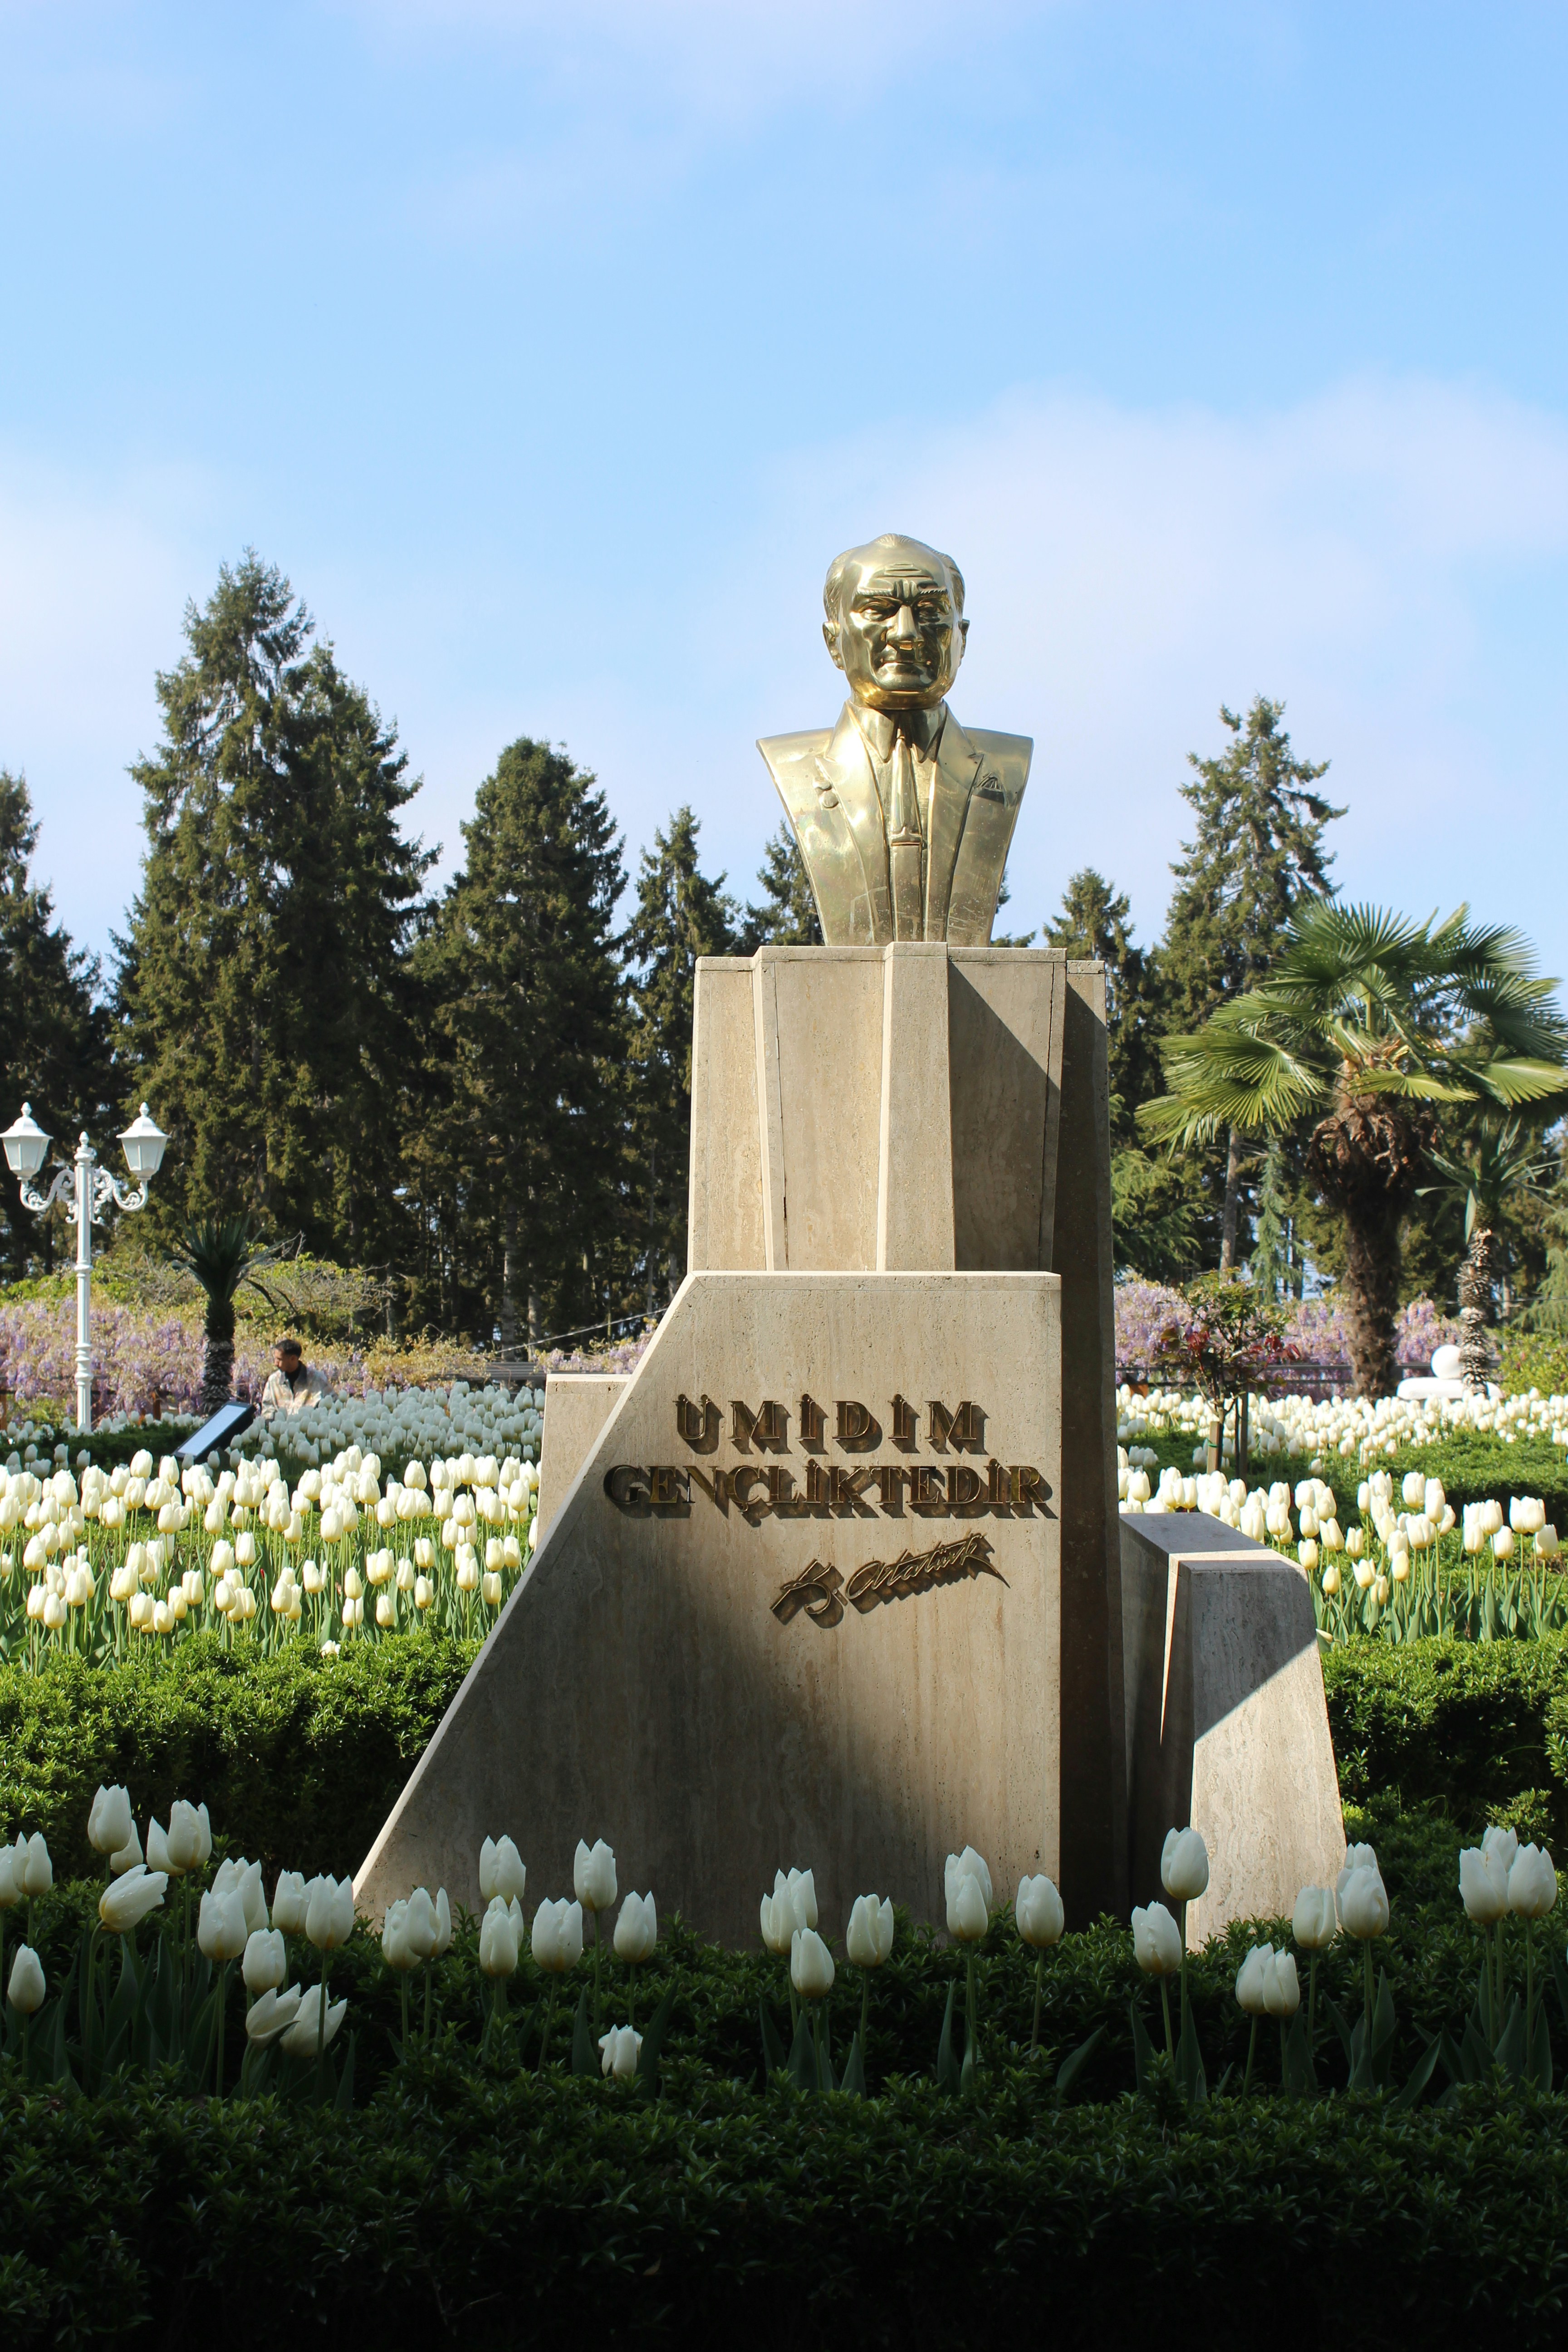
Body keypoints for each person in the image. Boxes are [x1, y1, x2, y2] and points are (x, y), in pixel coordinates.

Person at [756, 533, 1032, 946]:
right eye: (878, 610)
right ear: (834, 642)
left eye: (929, 611)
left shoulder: (1006, 765)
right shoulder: (794, 765)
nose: (907, 634)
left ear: (962, 637)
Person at [260, 1337, 328, 1418]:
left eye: (279, 1359)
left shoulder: (317, 1379)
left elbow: (332, 1405)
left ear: (293, 1359)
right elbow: (267, 1411)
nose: (275, 1363)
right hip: (281, 1429)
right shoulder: (274, 1381)